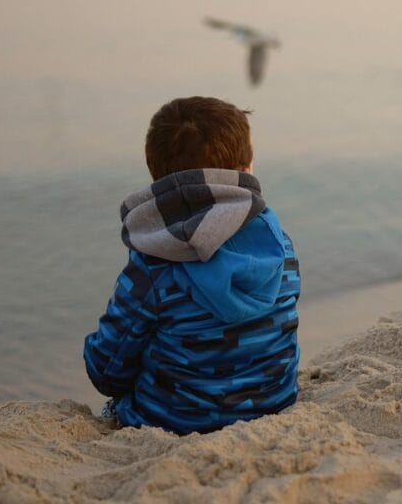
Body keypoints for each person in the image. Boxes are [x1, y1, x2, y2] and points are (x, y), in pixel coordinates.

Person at [83, 96, 301, 434]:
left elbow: (106, 370)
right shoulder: (278, 243)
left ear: (157, 176)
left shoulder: (155, 263)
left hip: (175, 422)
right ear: (245, 171)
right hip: (276, 404)